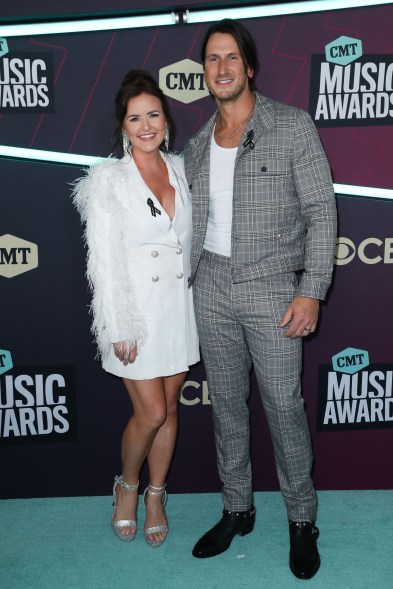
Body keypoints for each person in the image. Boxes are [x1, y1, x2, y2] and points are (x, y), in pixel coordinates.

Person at [184, 19, 336, 578]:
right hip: (212, 286)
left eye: (230, 58)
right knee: (225, 407)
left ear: (249, 67)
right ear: (204, 73)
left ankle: (302, 519)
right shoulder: (197, 145)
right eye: (211, 60)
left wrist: (311, 290)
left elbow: (322, 212)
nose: (220, 69)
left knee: (283, 408)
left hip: (274, 285)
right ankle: (237, 508)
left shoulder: (292, 126)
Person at [72, 70, 199, 548]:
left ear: (165, 120)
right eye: (134, 118)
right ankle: (127, 486)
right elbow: (102, 261)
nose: (146, 125)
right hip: (136, 314)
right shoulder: (108, 181)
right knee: (149, 412)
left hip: (179, 307)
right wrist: (117, 323)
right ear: (122, 127)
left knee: (169, 409)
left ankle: (156, 495)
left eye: (153, 115)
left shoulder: (184, 169)